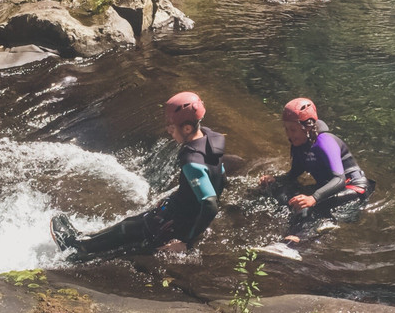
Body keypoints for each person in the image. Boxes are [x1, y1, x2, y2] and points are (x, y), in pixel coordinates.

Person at [50, 91, 226, 259]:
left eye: (171, 127)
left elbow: (209, 203)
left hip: (177, 222)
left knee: (127, 230)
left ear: (187, 128)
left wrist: (185, 242)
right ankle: (86, 236)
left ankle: (78, 248)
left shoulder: (191, 161)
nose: (168, 131)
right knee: (132, 222)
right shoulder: (210, 139)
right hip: (180, 210)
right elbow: (221, 176)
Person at [258, 97, 372, 243]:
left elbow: (339, 179)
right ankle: (324, 221)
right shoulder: (299, 143)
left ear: (308, 127)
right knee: (284, 193)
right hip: (330, 187)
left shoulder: (325, 141)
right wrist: (275, 179)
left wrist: (313, 198)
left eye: (293, 129)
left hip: (354, 187)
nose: (289, 134)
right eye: (286, 129)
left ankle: (292, 242)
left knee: (306, 207)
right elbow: (294, 173)